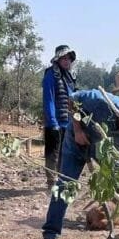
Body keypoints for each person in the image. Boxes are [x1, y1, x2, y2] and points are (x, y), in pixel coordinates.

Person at [40, 89, 119, 239]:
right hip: (76, 143)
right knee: (65, 185)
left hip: (105, 152)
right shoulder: (101, 101)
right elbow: (72, 100)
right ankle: (50, 236)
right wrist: (77, 130)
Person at [42, 45, 77, 188]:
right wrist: (52, 122)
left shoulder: (69, 77)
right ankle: (51, 182)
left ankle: (61, 182)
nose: (66, 61)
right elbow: (48, 99)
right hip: (54, 123)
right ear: (57, 59)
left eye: (68, 58)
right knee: (52, 154)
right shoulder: (51, 74)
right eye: (63, 58)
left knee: (65, 153)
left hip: (67, 123)